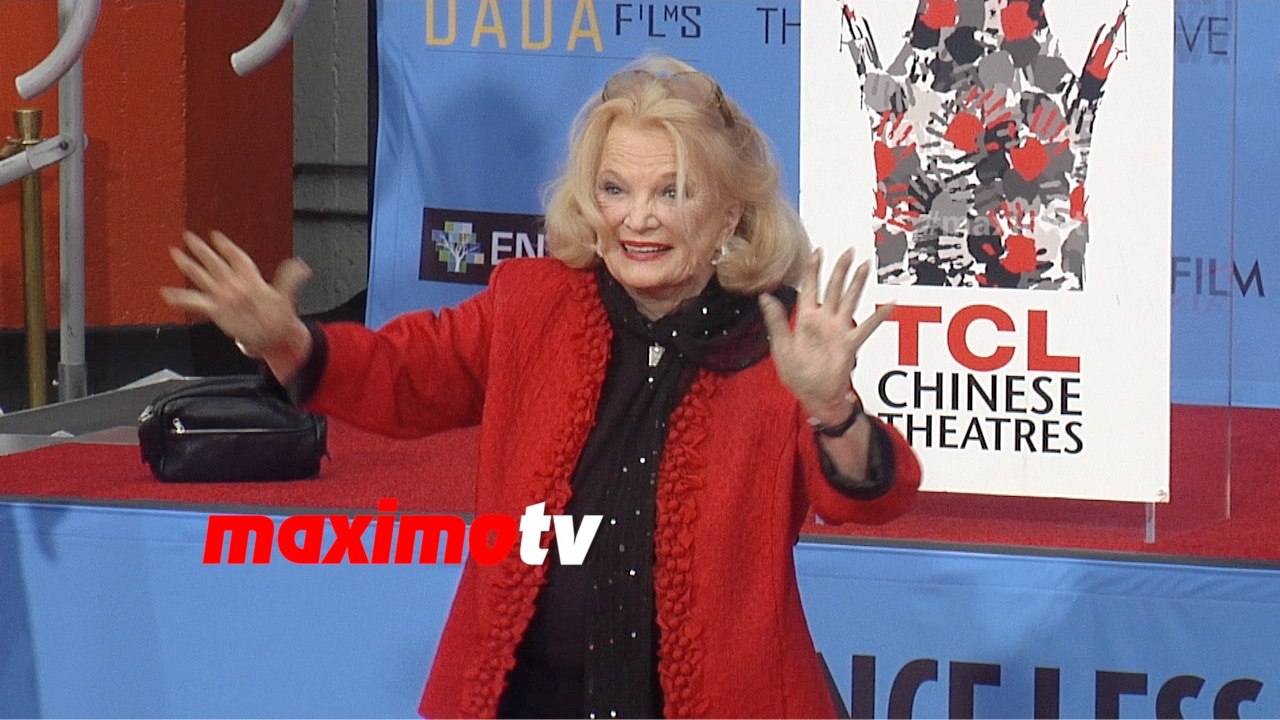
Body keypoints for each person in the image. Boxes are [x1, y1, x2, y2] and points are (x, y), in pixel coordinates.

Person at [162, 55, 921, 719]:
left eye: (672, 193)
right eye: (616, 189)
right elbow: (405, 374)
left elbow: (870, 497)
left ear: (730, 214)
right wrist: (291, 344)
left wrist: (830, 408)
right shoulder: (535, 303)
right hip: (531, 699)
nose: (638, 219)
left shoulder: (778, 338)